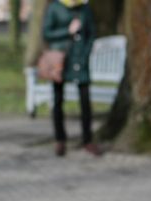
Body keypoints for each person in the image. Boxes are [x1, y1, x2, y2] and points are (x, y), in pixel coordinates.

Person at [42, 0, 99, 157]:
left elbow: (91, 33)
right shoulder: (55, 7)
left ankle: (88, 139)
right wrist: (67, 31)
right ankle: (60, 139)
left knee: (85, 102)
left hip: (80, 60)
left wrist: (86, 54)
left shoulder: (85, 7)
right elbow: (46, 33)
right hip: (61, 59)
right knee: (58, 100)